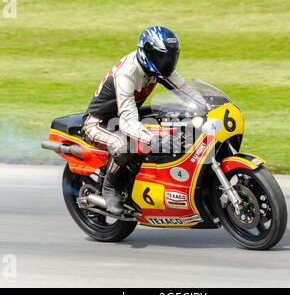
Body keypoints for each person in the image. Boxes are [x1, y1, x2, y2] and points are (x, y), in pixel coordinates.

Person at [82, 25, 201, 215]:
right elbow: (128, 120)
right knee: (124, 144)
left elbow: (185, 90)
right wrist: (152, 140)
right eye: (161, 57)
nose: (166, 62)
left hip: (127, 115)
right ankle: (109, 187)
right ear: (145, 53)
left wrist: (207, 109)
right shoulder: (126, 74)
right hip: (99, 123)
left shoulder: (160, 69)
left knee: (174, 116)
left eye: (170, 57)